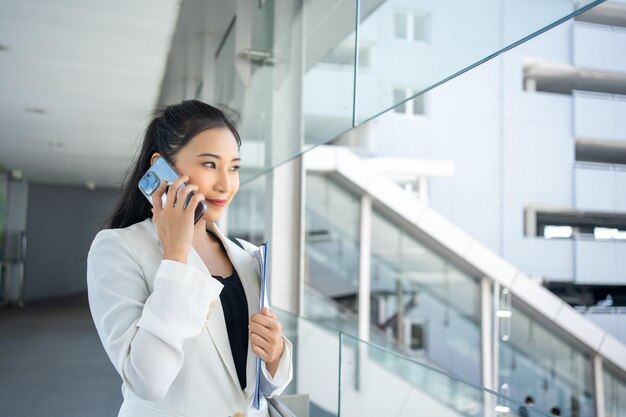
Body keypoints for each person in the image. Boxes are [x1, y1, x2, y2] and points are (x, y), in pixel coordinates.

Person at [87, 100, 292, 417]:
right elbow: (148, 381)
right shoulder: (118, 249)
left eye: (234, 167)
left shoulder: (248, 257)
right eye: (210, 165)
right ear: (160, 167)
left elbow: (254, 387)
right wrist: (176, 256)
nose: (225, 184)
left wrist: (275, 354)